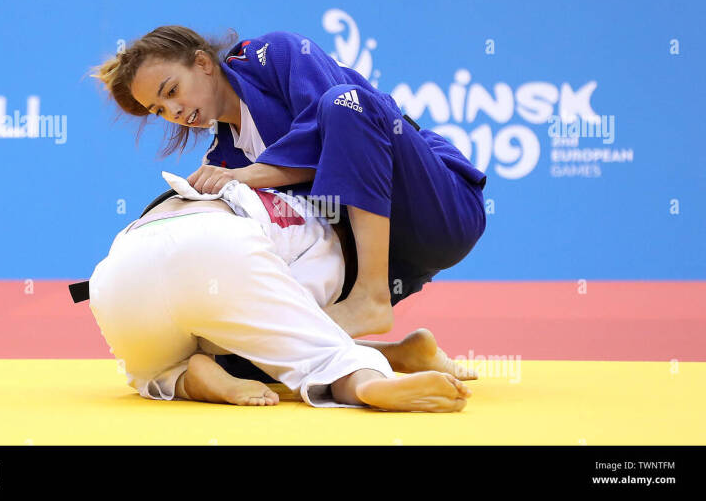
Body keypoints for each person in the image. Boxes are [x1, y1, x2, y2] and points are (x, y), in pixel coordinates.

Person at [92, 26, 487, 339]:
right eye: (159, 110)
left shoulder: (273, 55)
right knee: (249, 348)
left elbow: (336, 131)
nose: (174, 111)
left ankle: (370, 296)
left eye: (172, 91)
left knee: (343, 103)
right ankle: (405, 353)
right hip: (393, 257)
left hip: (440, 205)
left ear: (203, 63)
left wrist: (243, 177)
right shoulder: (221, 160)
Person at [86, 173, 472, 411]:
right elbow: (300, 327)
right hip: (214, 248)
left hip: (118, 271)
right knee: (327, 357)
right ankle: (375, 384)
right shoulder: (326, 238)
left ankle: (186, 379)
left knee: (151, 372)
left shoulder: (258, 193)